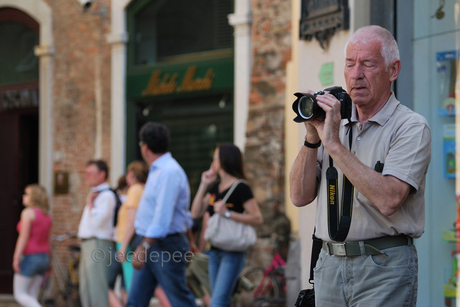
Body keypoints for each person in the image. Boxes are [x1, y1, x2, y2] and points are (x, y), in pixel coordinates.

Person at [289, 25, 431, 306]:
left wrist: (334, 145)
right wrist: (312, 137)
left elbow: (389, 199)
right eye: (350, 64)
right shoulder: (332, 122)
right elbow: (299, 196)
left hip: (384, 267)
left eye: (368, 64)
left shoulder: (411, 127)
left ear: (393, 70)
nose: (356, 75)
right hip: (329, 264)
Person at [126, 122, 197, 307]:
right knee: (135, 301)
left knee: (180, 300)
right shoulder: (160, 170)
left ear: (145, 147)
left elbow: (162, 218)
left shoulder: (168, 172)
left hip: (162, 245)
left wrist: (143, 247)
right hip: (155, 243)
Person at [191, 143, 263, 307]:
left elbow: (257, 218)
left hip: (233, 253)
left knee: (218, 301)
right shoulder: (216, 187)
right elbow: (195, 212)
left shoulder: (241, 187)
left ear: (224, 160)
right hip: (214, 251)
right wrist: (204, 184)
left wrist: (227, 213)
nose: (213, 161)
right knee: (220, 300)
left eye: (215, 157)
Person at [78, 159, 117, 307]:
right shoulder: (95, 194)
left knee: (97, 290)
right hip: (89, 244)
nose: (86, 176)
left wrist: (90, 204)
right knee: (86, 290)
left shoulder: (107, 196)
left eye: (90, 173)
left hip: (98, 244)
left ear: (102, 174)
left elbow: (98, 222)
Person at [12, 184, 52, 307]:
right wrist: (49, 261)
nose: (23, 196)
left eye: (27, 194)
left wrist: (16, 258)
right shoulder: (47, 216)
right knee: (32, 295)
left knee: (20, 294)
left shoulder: (28, 213)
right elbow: (49, 241)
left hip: (30, 258)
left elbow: (23, 237)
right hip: (43, 258)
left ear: (34, 197)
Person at [108, 175, 128, 307]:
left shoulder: (114, 199)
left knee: (105, 285)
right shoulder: (137, 199)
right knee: (126, 286)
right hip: (131, 247)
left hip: (117, 245)